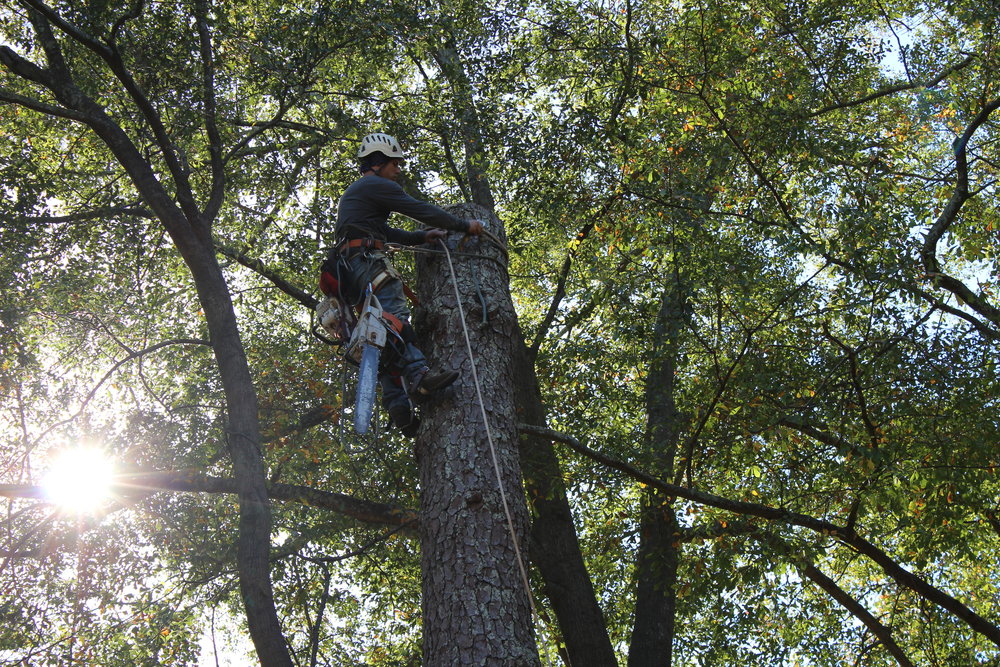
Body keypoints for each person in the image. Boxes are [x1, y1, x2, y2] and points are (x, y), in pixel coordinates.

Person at [333, 132, 483, 436]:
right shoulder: (375, 185)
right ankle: (418, 375)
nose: (398, 169)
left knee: (381, 337)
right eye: (395, 163)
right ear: (379, 162)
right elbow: (419, 209)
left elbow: (383, 231)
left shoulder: (361, 193)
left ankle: (397, 405)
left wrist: (419, 237)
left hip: (350, 272)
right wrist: (462, 224)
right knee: (396, 322)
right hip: (366, 263)